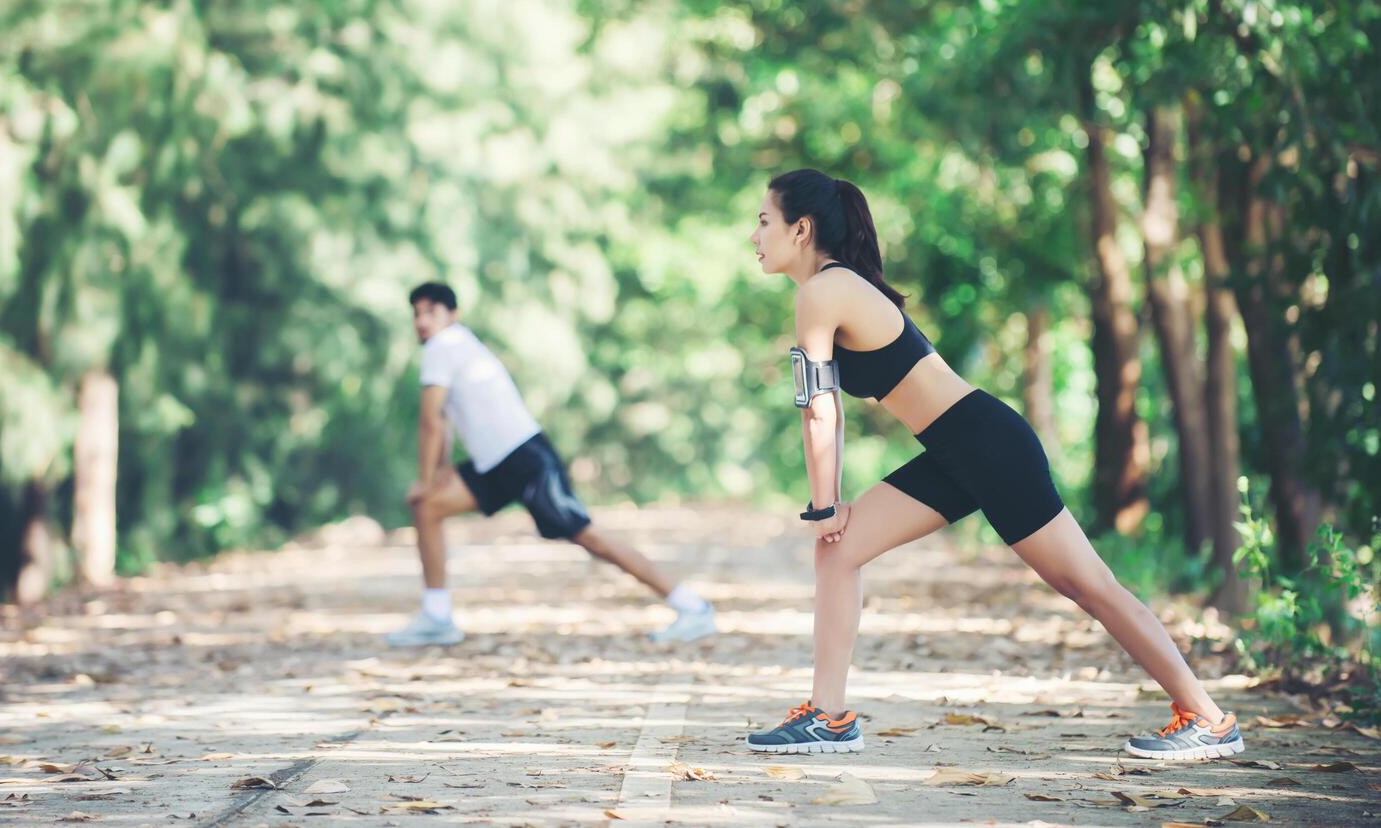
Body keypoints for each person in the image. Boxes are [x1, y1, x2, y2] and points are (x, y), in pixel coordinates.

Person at [743, 168, 1243, 761]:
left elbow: (818, 410)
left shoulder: (823, 292)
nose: (754, 234)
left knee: (1087, 584)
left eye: (763, 220)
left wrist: (825, 503)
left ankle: (1207, 718)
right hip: (956, 449)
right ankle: (827, 717)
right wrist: (828, 505)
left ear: (801, 229)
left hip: (987, 444)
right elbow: (828, 412)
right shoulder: (830, 289)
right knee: (839, 548)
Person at [386, 281, 715, 647]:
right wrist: (436, 475)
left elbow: (430, 421)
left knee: (590, 537)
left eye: (431, 312)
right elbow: (442, 422)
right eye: (416, 314)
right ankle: (436, 617)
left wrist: (425, 477)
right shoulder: (459, 344)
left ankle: (692, 607)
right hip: (495, 463)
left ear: (453, 315)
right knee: (427, 507)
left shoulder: (443, 345)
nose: (422, 321)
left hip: (524, 461)